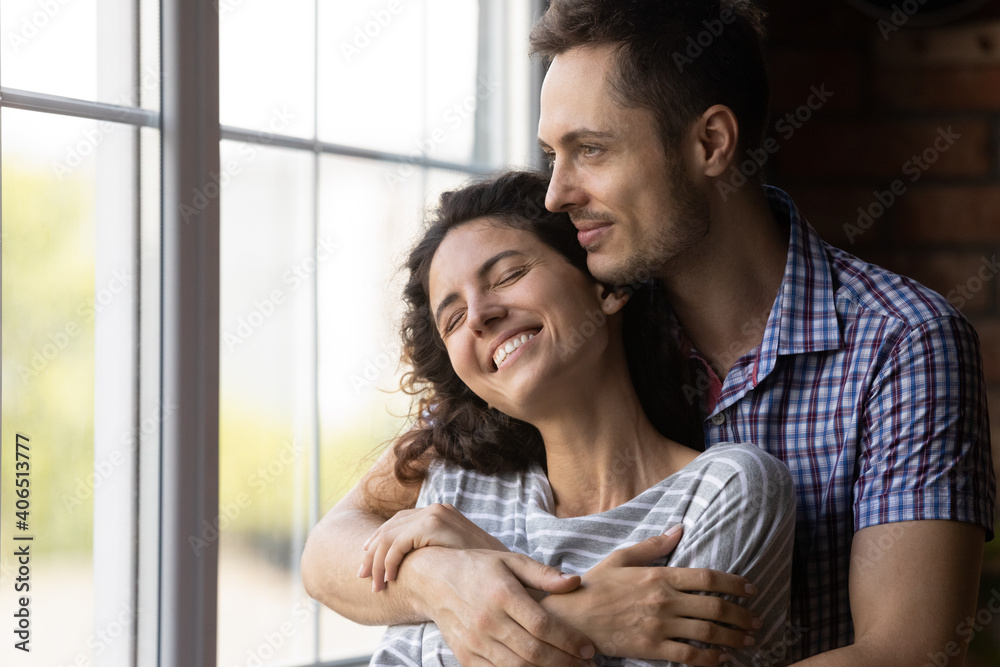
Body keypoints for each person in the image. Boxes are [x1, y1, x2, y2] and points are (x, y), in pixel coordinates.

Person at [303, 1, 996, 665]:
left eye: (591, 150)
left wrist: (544, 629)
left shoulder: (902, 342)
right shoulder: (584, 321)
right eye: (552, 156)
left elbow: (905, 654)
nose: (556, 193)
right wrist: (454, 586)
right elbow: (332, 548)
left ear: (710, 143)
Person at [356, 169, 796, 666]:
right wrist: (583, 617)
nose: (478, 315)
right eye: (453, 319)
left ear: (605, 288)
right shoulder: (458, 491)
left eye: (508, 275)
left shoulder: (726, 491)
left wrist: (507, 594)